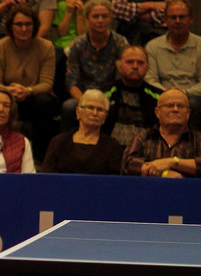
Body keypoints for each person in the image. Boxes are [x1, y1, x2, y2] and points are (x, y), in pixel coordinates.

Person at [0, 4, 59, 162]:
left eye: (28, 24)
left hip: (34, 97)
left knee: (45, 102)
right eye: (19, 24)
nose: (24, 29)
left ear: (34, 26)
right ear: (11, 27)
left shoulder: (46, 47)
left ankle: (40, 159)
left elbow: (47, 84)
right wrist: (9, 91)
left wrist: (27, 91)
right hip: (7, 97)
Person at [62, 0, 129, 131]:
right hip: (83, 95)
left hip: (112, 95)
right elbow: (71, 82)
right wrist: (87, 102)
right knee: (69, 107)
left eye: (104, 16)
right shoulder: (78, 45)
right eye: (95, 16)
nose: (100, 20)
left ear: (110, 18)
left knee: (117, 108)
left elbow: (122, 79)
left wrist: (104, 101)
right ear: (87, 18)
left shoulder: (120, 43)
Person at [145, 0, 201, 131]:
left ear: (191, 19)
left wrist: (183, 93)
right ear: (165, 20)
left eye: (182, 17)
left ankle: (193, 141)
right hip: (161, 94)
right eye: (173, 17)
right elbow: (150, 79)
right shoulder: (153, 46)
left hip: (193, 97)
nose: (177, 21)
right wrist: (168, 93)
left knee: (193, 103)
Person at [122, 86, 201, 177]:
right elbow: (128, 164)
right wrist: (164, 173)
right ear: (157, 112)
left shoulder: (198, 139)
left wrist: (171, 162)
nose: (175, 109)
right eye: (170, 106)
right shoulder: (142, 137)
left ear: (188, 114)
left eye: (180, 106)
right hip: (150, 186)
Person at [42, 89, 123, 173]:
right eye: (90, 108)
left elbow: (114, 179)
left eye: (100, 109)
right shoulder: (58, 142)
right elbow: (46, 176)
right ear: (78, 112)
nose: (95, 113)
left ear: (105, 117)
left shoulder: (113, 147)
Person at [102, 45, 161, 147]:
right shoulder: (105, 95)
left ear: (147, 67)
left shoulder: (159, 97)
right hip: (110, 150)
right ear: (119, 66)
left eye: (140, 63)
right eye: (130, 62)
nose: (135, 66)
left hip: (148, 150)